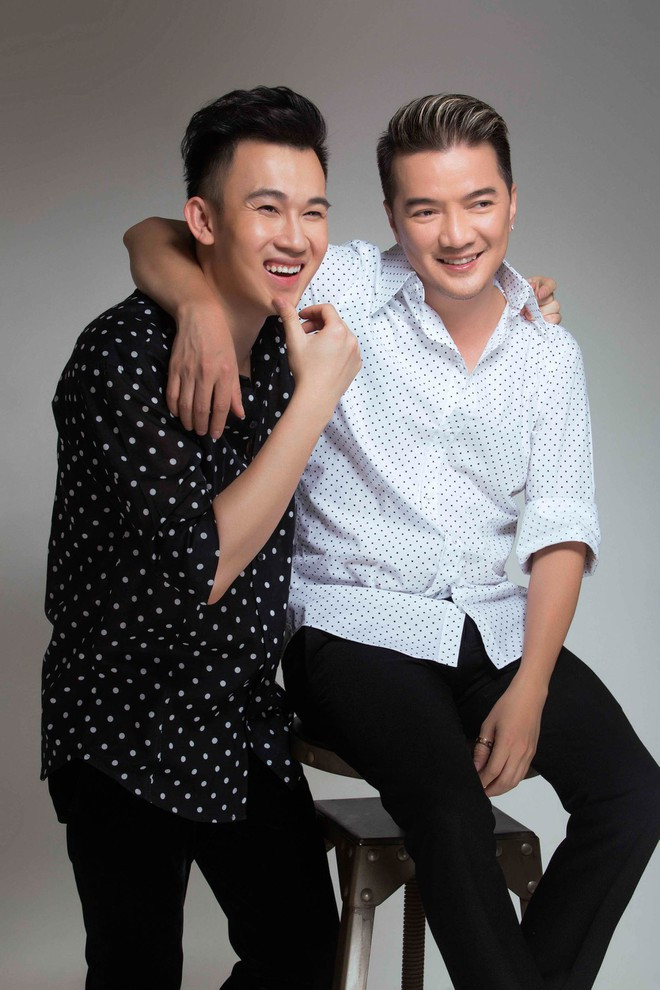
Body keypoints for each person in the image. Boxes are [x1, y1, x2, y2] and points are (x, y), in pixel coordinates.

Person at [124, 93, 660, 989]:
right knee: (448, 810)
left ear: (513, 201)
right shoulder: (340, 285)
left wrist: (530, 688)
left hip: (489, 624)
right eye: (424, 209)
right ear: (390, 216)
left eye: (479, 202)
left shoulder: (547, 353)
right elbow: (156, 234)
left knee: (633, 796)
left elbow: (561, 530)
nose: (456, 234)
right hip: (353, 627)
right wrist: (198, 307)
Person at [42, 85, 362, 990]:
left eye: (313, 210)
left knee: (304, 960)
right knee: (137, 970)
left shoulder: (291, 338)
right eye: (267, 208)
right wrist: (312, 399)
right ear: (205, 221)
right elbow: (202, 566)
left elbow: (441, 269)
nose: (295, 236)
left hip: (237, 717)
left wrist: (523, 303)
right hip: (124, 717)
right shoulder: (118, 356)